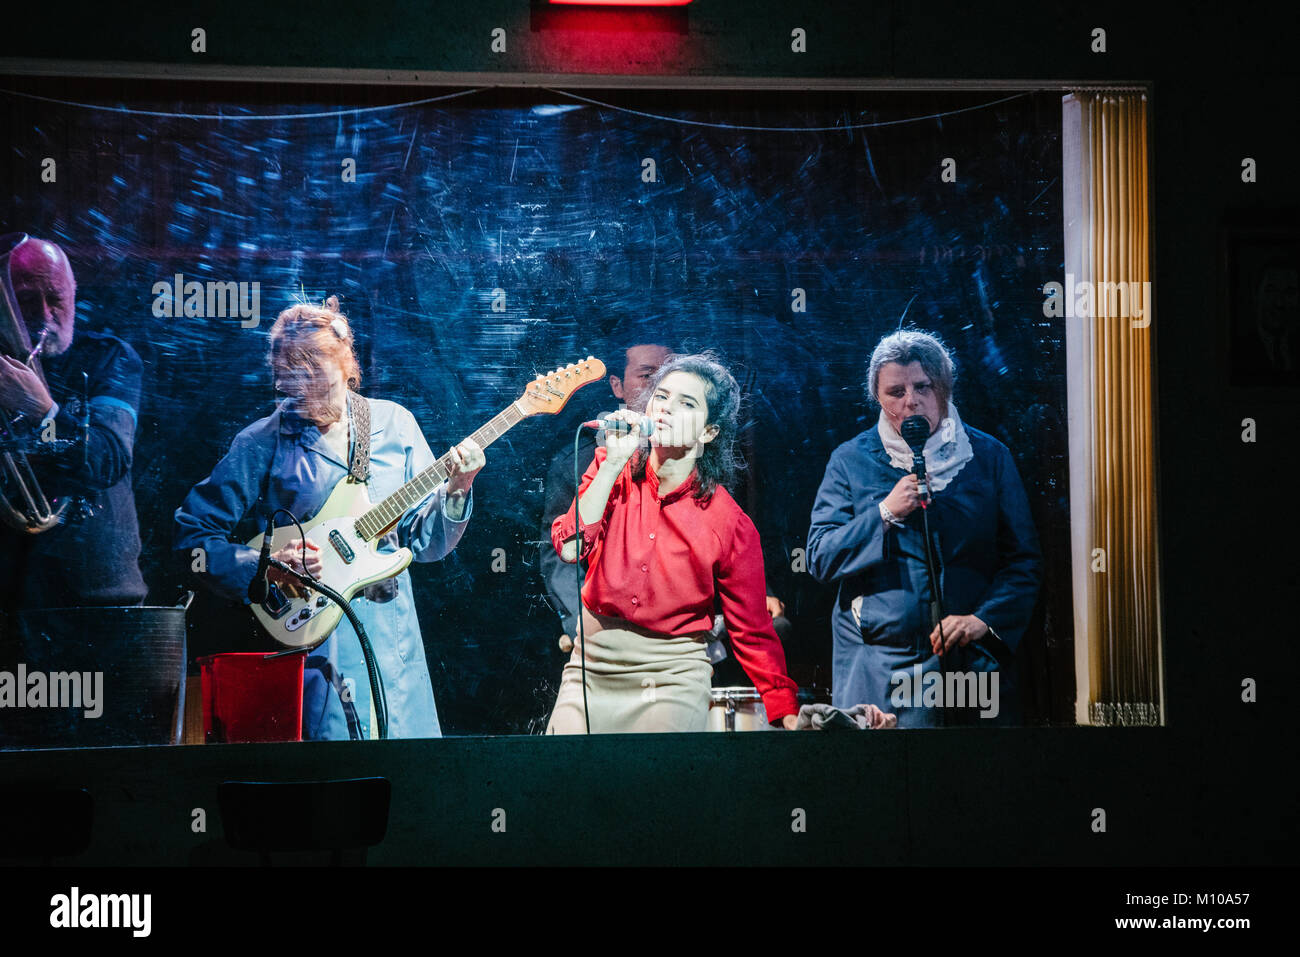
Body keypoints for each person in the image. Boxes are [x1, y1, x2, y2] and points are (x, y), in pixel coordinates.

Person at [174, 296, 484, 740]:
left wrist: (457, 490)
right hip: (310, 649)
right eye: (292, 381)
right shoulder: (263, 440)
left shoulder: (394, 425)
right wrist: (265, 564)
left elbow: (428, 544)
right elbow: (192, 536)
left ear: (346, 364)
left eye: (316, 377)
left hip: (392, 648)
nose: (305, 395)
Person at [547, 352, 799, 733]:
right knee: (559, 781)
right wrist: (613, 463)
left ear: (709, 432)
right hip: (591, 668)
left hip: (670, 677)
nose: (665, 410)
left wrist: (785, 709)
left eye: (686, 404)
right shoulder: (611, 468)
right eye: (660, 397)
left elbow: (752, 629)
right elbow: (569, 549)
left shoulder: (727, 521)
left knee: (651, 784)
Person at [806, 329, 1041, 727]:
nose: (910, 400)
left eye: (922, 386)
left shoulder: (988, 457)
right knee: (882, 782)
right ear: (878, 398)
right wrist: (884, 512)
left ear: (944, 389)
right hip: (879, 665)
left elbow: (1023, 561)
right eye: (895, 391)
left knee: (969, 781)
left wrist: (981, 620)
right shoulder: (849, 460)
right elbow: (820, 557)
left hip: (968, 664)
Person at [0, 236, 146, 611]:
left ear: (74, 291)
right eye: (28, 300)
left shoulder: (109, 358)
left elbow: (107, 457)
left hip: (96, 591)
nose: (46, 315)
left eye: (56, 297)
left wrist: (41, 409)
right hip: (13, 590)